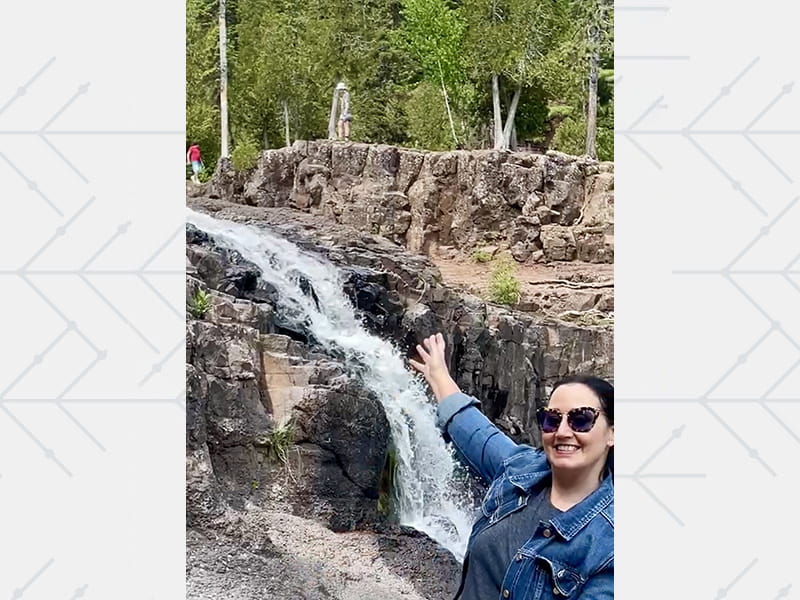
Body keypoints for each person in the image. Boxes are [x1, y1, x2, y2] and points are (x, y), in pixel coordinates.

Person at [410, 333, 614, 600]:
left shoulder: (610, 544)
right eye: (552, 419)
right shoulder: (521, 470)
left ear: (612, 433)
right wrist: (439, 376)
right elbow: (476, 432)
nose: (562, 432)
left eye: (581, 419)